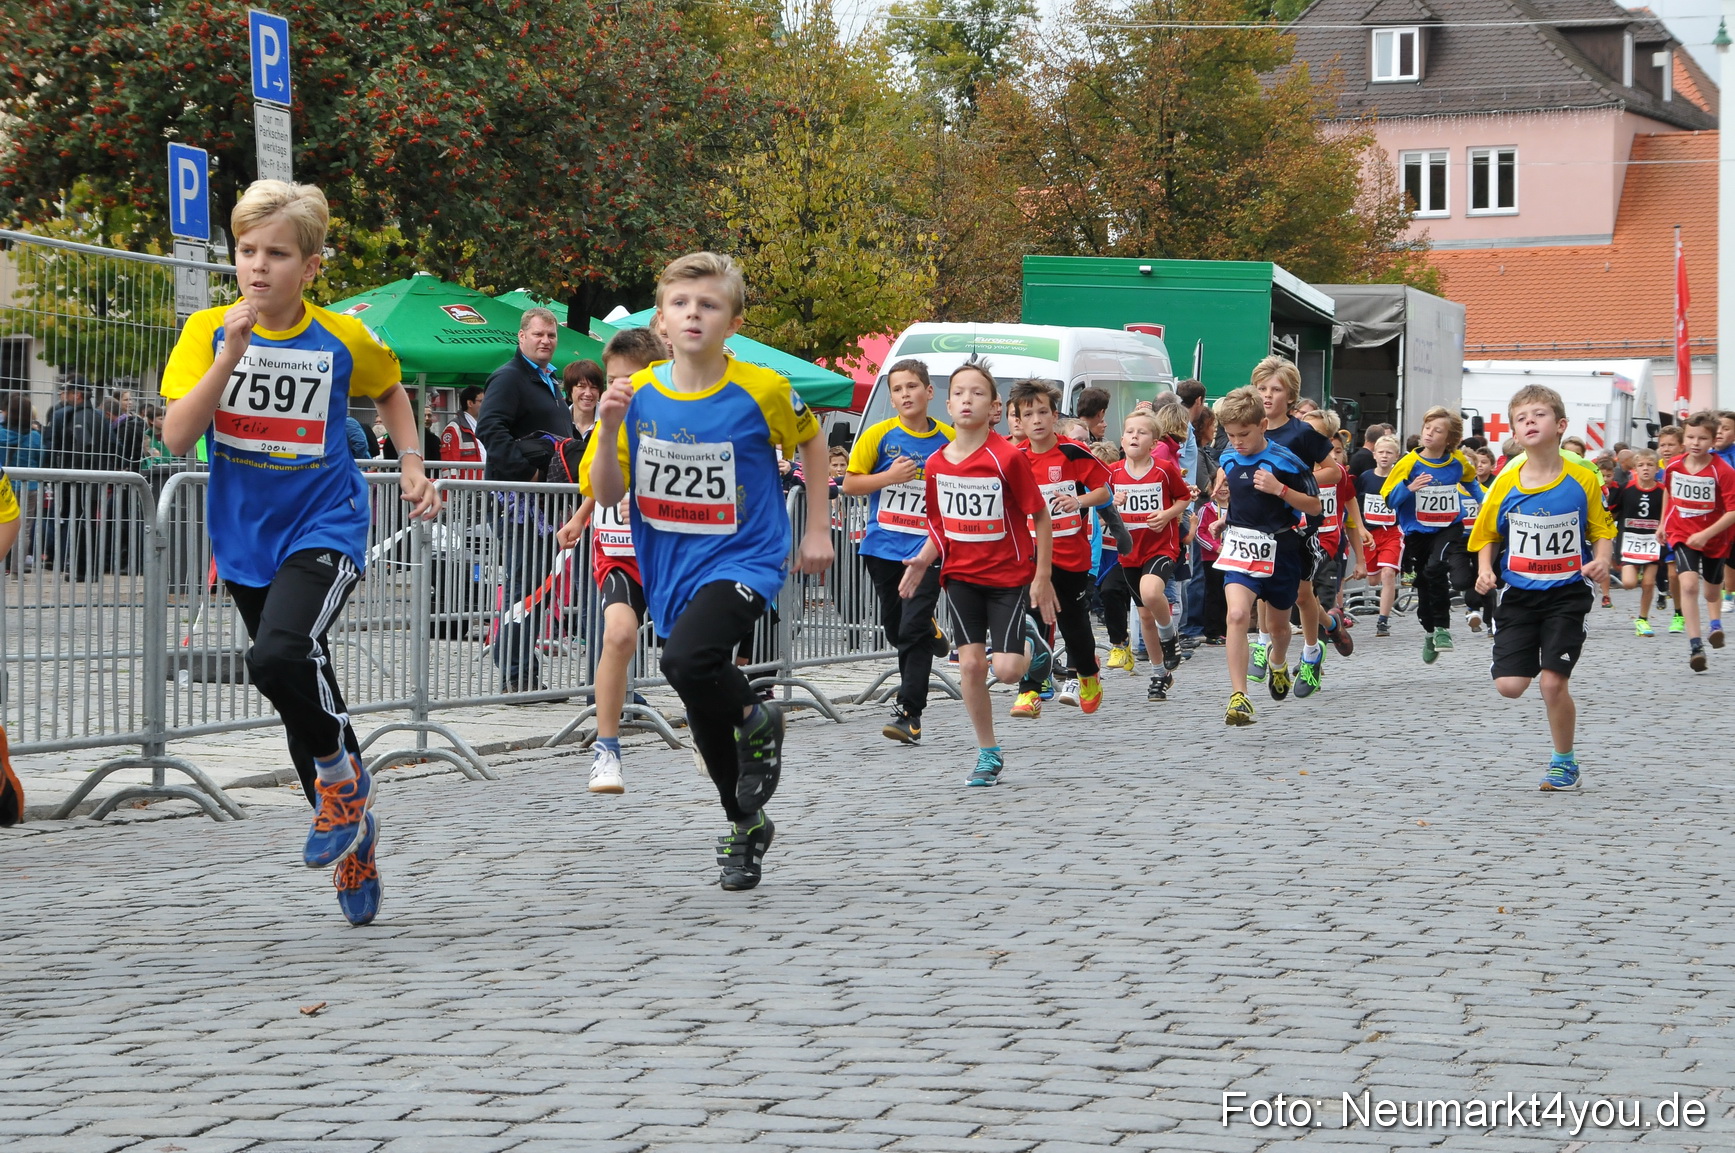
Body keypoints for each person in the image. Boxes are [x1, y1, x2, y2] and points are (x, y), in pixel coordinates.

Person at [159, 179, 439, 924]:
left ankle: (341, 787)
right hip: (245, 539)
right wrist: (229, 357)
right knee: (299, 691)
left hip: (327, 525)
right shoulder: (207, 331)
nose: (258, 266)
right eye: (247, 250)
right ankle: (355, 833)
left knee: (279, 656)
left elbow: (392, 391)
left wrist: (412, 463)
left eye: (277, 254)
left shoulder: (342, 337)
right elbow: (177, 436)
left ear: (311, 266)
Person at [583, 252, 832, 892]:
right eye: (681, 304)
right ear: (661, 321)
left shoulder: (763, 389)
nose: (694, 314)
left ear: (733, 322)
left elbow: (812, 440)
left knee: (685, 660)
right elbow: (607, 493)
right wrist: (607, 428)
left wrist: (816, 528)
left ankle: (756, 717)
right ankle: (745, 825)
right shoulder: (636, 395)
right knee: (697, 699)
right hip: (670, 565)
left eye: (710, 305)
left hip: (747, 555)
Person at [897, 360, 1055, 786]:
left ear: (995, 407)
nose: (967, 399)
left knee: (1006, 671)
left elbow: (1040, 516)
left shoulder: (1007, 458)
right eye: (959, 393)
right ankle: (988, 752)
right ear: (948, 405)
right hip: (960, 577)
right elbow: (941, 525)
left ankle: (1033, 648)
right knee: (969, 666)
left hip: (1007, 578)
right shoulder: (937, 463)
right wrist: (923, 559)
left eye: (978, 393)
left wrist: (1041, 576)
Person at [1468, 384, 1614, 790]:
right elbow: (1486, 534)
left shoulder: (1582, 477)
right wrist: (1485, 570)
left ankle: (1564, 763)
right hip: (1518, 593)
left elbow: (1602, 528)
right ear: (1514, 434)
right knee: (1510, 687)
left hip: (1567, 592)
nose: (1530, 421)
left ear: (1561, 425)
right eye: (1521, 418)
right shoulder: (1505, 483)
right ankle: (1512, 650)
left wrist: (1602, 559)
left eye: (1539, 414)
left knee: (1552, 682)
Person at [553, 327, 667, 794]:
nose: (620, 389)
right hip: (619, 551)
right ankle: (607, 750)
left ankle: (713, 727)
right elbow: (598, 483)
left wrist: (645, 500)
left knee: (687, 655)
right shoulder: (608, 421)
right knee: (618, 635)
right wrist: (581, 518)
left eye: (630, 380)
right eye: (614, 380)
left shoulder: (679, 416)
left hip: (670, 551)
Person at [843, 358, 953, 745]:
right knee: (897, 629)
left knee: (911, 629)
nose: (905, 394)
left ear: (929, 391)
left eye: (912, 386)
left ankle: (910, 713)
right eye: (897, 389)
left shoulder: (948, 439)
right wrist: (888, 477)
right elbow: (849, 484)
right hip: (883, 547)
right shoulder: (878, 435)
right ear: (891, 398)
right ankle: (930, 630)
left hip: (929, 549)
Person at [477, 307, 576, 693]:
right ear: (521, 337)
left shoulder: (548, 380)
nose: (546, 341)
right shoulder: (509, 377)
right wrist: (527, 473)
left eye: (551, 335)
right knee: (527, 585)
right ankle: (517, 675)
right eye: (538, 334)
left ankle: (515, 664)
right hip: (517, 503)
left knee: (537, 585)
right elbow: (490, 428)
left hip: (543, 504)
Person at [1211, 386, 1322, 726]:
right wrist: (1224, 518)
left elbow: (1315, 507)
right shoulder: (1228, 458)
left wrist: (1280, 490)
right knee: (1236, 615)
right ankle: (1239, 696)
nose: (1237, 442)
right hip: (1240, 549)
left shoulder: (1287, 461)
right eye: (1230, 435)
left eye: (1244, 434)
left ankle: (1278, 662)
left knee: (1278, 628)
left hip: (1281, 551)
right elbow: (1239, 499)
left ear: (1262, 425)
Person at [1010, 378, 1112, 716]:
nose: (1036, 420)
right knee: (1033, 622)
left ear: (1055, 416)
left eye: (1043, 412)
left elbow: (1104, 491)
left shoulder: (1072, 452)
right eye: (1028, 415)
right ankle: (1029, 691)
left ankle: (1088, 672)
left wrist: (1078, 500)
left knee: (1072, 624)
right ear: (1018, 421)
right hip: (1031, 556)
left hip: (1071, 556)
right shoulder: (1015, 458)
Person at [1249, 357, 1335, 697]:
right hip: (1259, 523)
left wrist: (1294, 483)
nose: (1268, 395)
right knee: (1260, 585)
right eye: (1262, 388)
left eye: (1276, 389)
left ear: (1290, 396)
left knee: (1301, 593)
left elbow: (1334, 471)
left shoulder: (1301, 432)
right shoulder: (1250, 429)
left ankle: (1312, 653)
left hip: (1298, 525)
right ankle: (1262, 643)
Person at [1381, 406, 1476, 663]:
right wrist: (1409, 488)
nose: (1430, 433)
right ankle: (1430, 632)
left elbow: (1471, 482)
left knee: (1436, 569)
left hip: (1448, 526)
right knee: (1423, 582)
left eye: (1437, 430)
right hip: (1417, 532)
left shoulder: (1457, 461)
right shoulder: (1408, 463)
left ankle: (1443, 629)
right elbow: (1390, 500)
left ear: (1450, 438)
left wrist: (1488, 502)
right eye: (1427, 428)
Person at [1114, 407, 1189, 701]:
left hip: (1161, 547)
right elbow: (1102, 508)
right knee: (1144, 617)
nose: (1135, 436)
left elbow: (1184, 497)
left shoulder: (1164, 470)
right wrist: (1113, 502)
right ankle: (1160, 674)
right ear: (1122, 440)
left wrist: (1167, 514)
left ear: (1154, 442)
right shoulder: (1113, 473)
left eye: (1142, 432)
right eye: (1130, 431)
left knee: (1151, 592)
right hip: (1130, 551)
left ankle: (1169, 635)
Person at [1660, 411, 1735, 669]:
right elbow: (1668, 492)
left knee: (1711, 592)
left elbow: (1733, 511)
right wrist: (1662, 523)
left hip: (1715, 537)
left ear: (1713, 441)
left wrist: (1706, 534)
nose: (1695, 443)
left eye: (1702, 438)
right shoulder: (1674, 465)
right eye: (1691, 437)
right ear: (1684, 439)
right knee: (1689, 585)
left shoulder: (1722, 471)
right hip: (1682, 532)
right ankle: (1695, 646)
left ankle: (1715, 623)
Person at [1611, 448, 1665, 635]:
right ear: (1635, 468)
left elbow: (1667, 514)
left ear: (1657, 469)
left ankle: (1642, 619)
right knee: (1629, 583)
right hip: (1629, 540)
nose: (1646, 469)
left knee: (1649, 583)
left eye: (1650, 465)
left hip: (1652, 542)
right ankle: (1635, 573)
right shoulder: (1626, 488)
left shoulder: (1662, 491)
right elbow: (1614, 510)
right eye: (1641, 465)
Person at [439, 384, 487, 470]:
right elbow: (449, 465)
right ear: (470, 403)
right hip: (468, 478)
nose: (486, 404)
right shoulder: (454, 428)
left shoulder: (483, 425)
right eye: (481, 401)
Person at [566, 359, 602, 449]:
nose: (588, 393)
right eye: (581, 386)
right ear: (570, 390)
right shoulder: (559, 422)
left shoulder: (611, 421)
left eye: (594, 387)